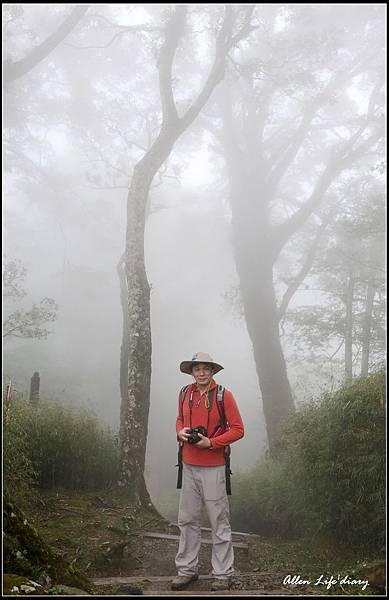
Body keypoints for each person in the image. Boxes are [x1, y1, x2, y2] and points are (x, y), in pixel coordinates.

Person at [171, 352, 244, 592]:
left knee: (218, 521)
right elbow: (180, 419)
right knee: (187, 520)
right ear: (191, 372)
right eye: (197, 369)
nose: (201, 373)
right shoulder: (184, 393)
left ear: (212, 371)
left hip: (214, 467)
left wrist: (210, 443)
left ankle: (222, 574)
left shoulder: (224, 395)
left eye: (206, 369)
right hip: (189, 465)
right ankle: (186, 571)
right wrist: (180, 433)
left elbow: (238, 430)